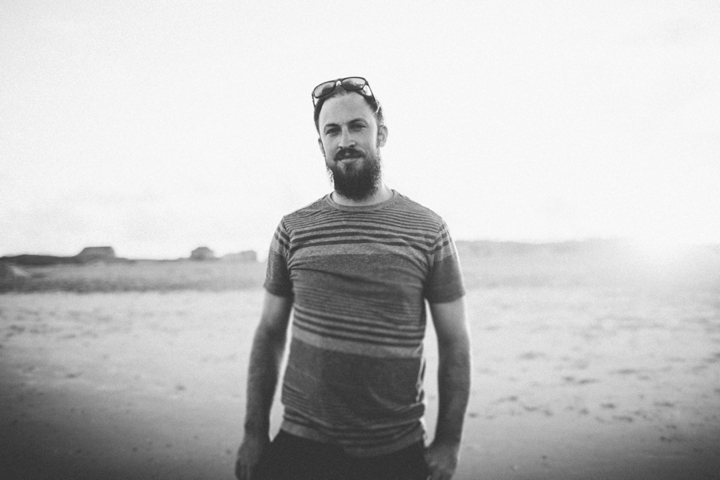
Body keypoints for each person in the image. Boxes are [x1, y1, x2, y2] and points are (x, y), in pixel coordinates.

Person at [235, 77, 471, 480]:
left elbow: (454, 340)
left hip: (394, 449)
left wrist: (449, 441)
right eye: (332, 131)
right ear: (321, 145)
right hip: (301, 444)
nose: (345, 140)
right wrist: (254, 432)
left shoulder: (428, 230)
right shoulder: (293, 229)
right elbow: (269, 332)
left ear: (381, 133)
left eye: (357, 126)